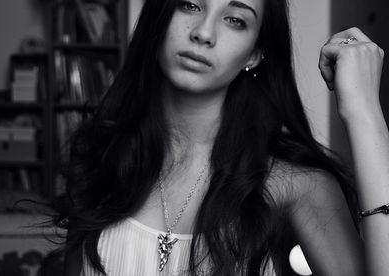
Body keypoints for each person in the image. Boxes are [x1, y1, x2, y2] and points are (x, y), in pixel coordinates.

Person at [49, 0, 389, 275]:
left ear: (255, 54)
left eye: (235, 20)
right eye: (190, 6)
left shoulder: (295, 186)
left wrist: (364, 113)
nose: (203, 33)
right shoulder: (100, 156)